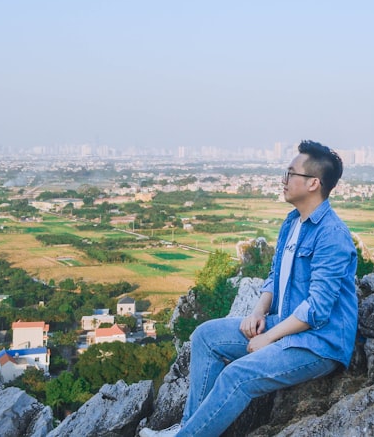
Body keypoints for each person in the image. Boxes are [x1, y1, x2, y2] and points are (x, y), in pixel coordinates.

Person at [143, 140, 358, 437]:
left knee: (238, 375)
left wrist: (268, 337)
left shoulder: (332, 235)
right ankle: (189, 427)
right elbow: (274, 275)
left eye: (290, 173)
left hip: (319, 343)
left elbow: (317, 310)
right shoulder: (293, 221)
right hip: (285, 325)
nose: (283, 179)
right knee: (205, 336)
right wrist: (258, 312)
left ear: (313, 184)